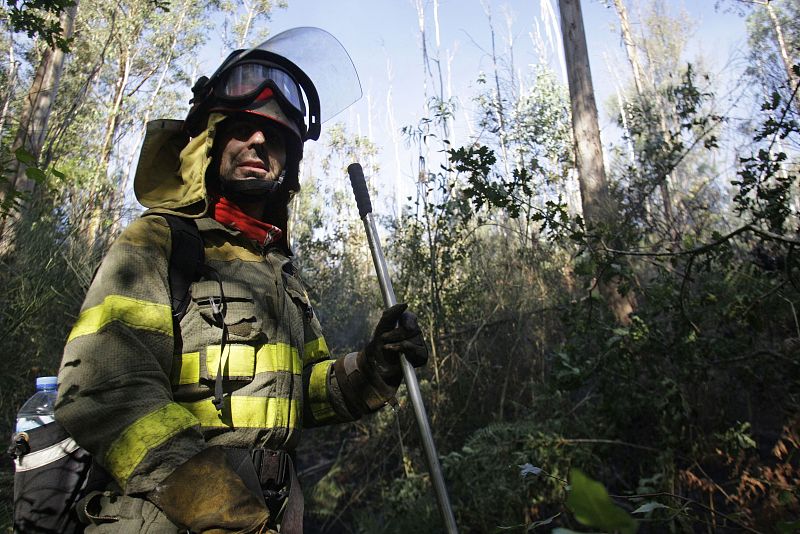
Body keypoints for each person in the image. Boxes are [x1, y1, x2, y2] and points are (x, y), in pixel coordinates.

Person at [55, 27, 427, 534]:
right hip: (172, 518)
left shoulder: (279, 272)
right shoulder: (159, 242)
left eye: (274, 136)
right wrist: (224, 511)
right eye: (242, 128)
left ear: (287, 164)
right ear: (209, 144)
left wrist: (373, 366)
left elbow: (306, 391)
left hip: (273, 513)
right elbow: (105, 388)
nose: (258, 140)